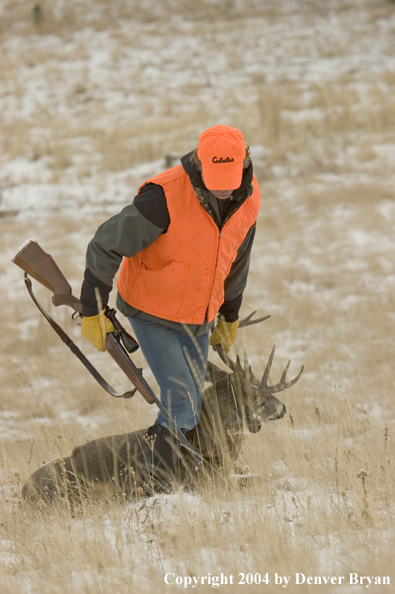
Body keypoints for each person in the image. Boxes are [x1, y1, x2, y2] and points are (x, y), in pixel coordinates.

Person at [79, 124, 261, 490]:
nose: (222, 187)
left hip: (199, 316)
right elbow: (105, 244)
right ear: (198, 164)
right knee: (181, 403)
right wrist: (92, 307)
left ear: (245, 165)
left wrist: (230, 314)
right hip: (152, 312)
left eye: (229, 177)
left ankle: (190, 477)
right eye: (214, 178)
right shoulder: (163, 198)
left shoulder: (249, 199)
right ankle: (158, 489)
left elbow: (236, 261)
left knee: (189, 405)